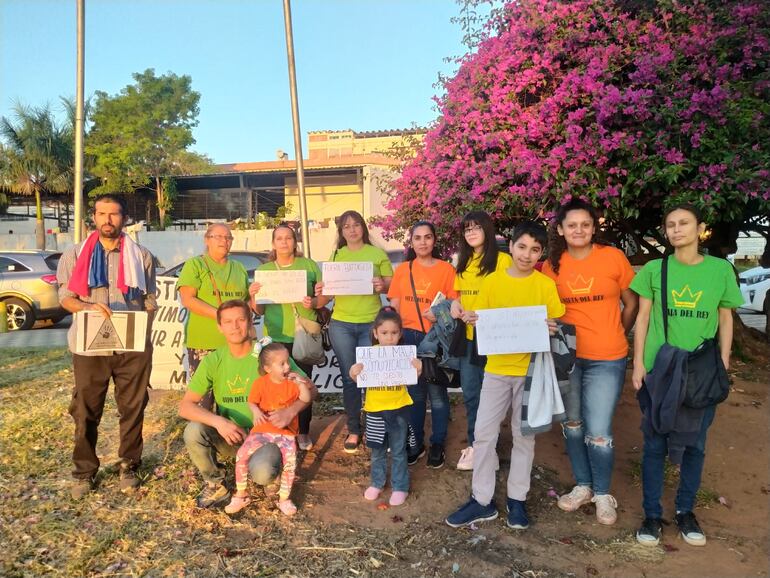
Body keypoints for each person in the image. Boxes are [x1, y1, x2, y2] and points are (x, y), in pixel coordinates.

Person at [630, 204, 743, 547]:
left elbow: (726, 318)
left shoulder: (719, 270)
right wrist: (638, 363)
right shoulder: (654, 269)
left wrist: (723, 360)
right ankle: (652, 515)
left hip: (702, 371)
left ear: (700, 229)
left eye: (684, 223)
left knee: (695, 444)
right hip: (660, 368)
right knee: (654, 444)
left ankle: (685, 511)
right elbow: (643, 318)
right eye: (671, 225)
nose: (677, 229)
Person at [446, 222, 565, 530]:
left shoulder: (544, 285)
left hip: (530, 372)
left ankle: (517, 500)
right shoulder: (493, 282)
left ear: (541, 254)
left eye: (535, 250)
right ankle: (482, 500)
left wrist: (552, 326)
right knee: (484, 436)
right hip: (497, 371)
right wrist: (471, 317)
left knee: (524, 437)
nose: (527, 254)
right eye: (522, 246)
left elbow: (554, 320)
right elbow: (481, 320)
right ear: (510, 246)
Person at [541, 199, 638, 525]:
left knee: (598, 431)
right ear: (560, 229)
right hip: (568, 357)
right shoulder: (551, 266)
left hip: (606, 358)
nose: (578, 230)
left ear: (594, 227)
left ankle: (602, 493)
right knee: (572, 425)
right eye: (572, 225)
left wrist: (618, 333)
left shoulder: (612, 258)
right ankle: (582, 485)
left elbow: (631, 302)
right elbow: (545, 310)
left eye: (585, 224)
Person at [56, 194, 158, 499]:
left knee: (133, 406)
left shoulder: (142, 256)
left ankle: (129, 462)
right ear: (94, 218)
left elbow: (149, 299)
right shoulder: (74, 255)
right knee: (86, 410)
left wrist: (141, 326)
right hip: (90, 347)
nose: (107, 220)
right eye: (101, 214)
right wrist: (89, 309)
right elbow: (65, 298)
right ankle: (84, 471)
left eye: (113, 214)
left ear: (124, 218)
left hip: (131, 346)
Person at [178, 300, 317, 509]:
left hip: (268, 434)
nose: (235, 327)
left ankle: (273, 471)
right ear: (219, 327)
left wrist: (291, 411)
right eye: (228, 322)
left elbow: (311, 389)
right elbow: (185, 407)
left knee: (262, 474)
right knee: (193, 431)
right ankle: (215, 483)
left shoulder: (267, 355)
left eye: (241, 320)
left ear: (251, 321)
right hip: (232, 435)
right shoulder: (213, 360)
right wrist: (219, 422)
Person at [314, 210, 393, 453]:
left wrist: (382, 285)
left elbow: (391, 285)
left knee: (373, 378)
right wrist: (320, 291)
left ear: (363, 228)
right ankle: (354, 429)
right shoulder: (337, 256)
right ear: (341, 232)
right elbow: (327, 295)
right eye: (346, 226)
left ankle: (375, 428)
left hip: (371, 324)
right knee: (351, 378)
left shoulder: (377, 254)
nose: (352, 230)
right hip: (342, 324)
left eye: (356, 225)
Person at [387, 220, 457, 468]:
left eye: (428, 237)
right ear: (411, 242)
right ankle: (415, 445)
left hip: (435, 339)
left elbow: (453, 306)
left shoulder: (447, 270)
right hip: (407, 337)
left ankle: (437, 443)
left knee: (438, 395)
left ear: (434, 241)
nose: (423, 242)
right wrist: (390, 337)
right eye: (418, 238)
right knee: (414, 396)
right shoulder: (402, 270)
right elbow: (394, 305)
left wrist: (439, 313)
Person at [449, 210, 513, 471]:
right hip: (468, 339)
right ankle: (477, 446)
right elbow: (460, 296)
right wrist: (455, 304)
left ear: (487, 229)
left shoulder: (503, 260)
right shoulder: (462, 263)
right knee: (472, 395)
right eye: (466, 229)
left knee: (496, 397)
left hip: (495, 340)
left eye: (476, 227)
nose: (471, 232)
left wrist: (486, 315)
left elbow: (512, 299)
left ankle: (490, 446)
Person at [252, 223, 322, 451]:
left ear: (295, 241)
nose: (284, 242)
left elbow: (323, 297)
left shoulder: (309, 266)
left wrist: (314, 301)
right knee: (278, 387)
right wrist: (253, 297)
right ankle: (279, 430)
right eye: (279, 238)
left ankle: (302, 432)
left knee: (302, 384)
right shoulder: (265, 272)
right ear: (273, 243)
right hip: (276, 337)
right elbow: (259, 311)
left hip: (303, 334)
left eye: (288, 238)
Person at [225, 342, 311, 516]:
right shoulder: (260, 383)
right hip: (261, 431)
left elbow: (306, 398)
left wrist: (301, 384)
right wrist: (256, 411)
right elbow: (252, 401)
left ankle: (284, 499)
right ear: (267, 368)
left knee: (290, 465)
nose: (288, 366)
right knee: (241, 456)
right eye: (282, 364)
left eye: (287, 361)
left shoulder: (292, 383)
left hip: (286, 434)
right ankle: (240, 494)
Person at [350, 306, 421, 506]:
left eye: (394, 333)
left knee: (399, 450)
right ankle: (377, 483)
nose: (389, 337)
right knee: (377, 450)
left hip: (399, 409)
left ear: (400, 334)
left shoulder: (406, 356)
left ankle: (400, 487)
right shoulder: (368, 355)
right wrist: (353, 371)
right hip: (375, 410)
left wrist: (418, 369)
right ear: (375, 333)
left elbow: (413, 378)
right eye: (384, 333)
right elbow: (356, 378)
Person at [177, 223, 250, 381]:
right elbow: (188, 299)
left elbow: (247, 303)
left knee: (232, 397)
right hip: (204, 343)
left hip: (236, 344)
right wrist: (221, 316)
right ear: (206, 240)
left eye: (228, 237)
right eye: (218, 236)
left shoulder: (239, 268)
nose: (224, 241)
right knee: (204, 400)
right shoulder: (195, 265)